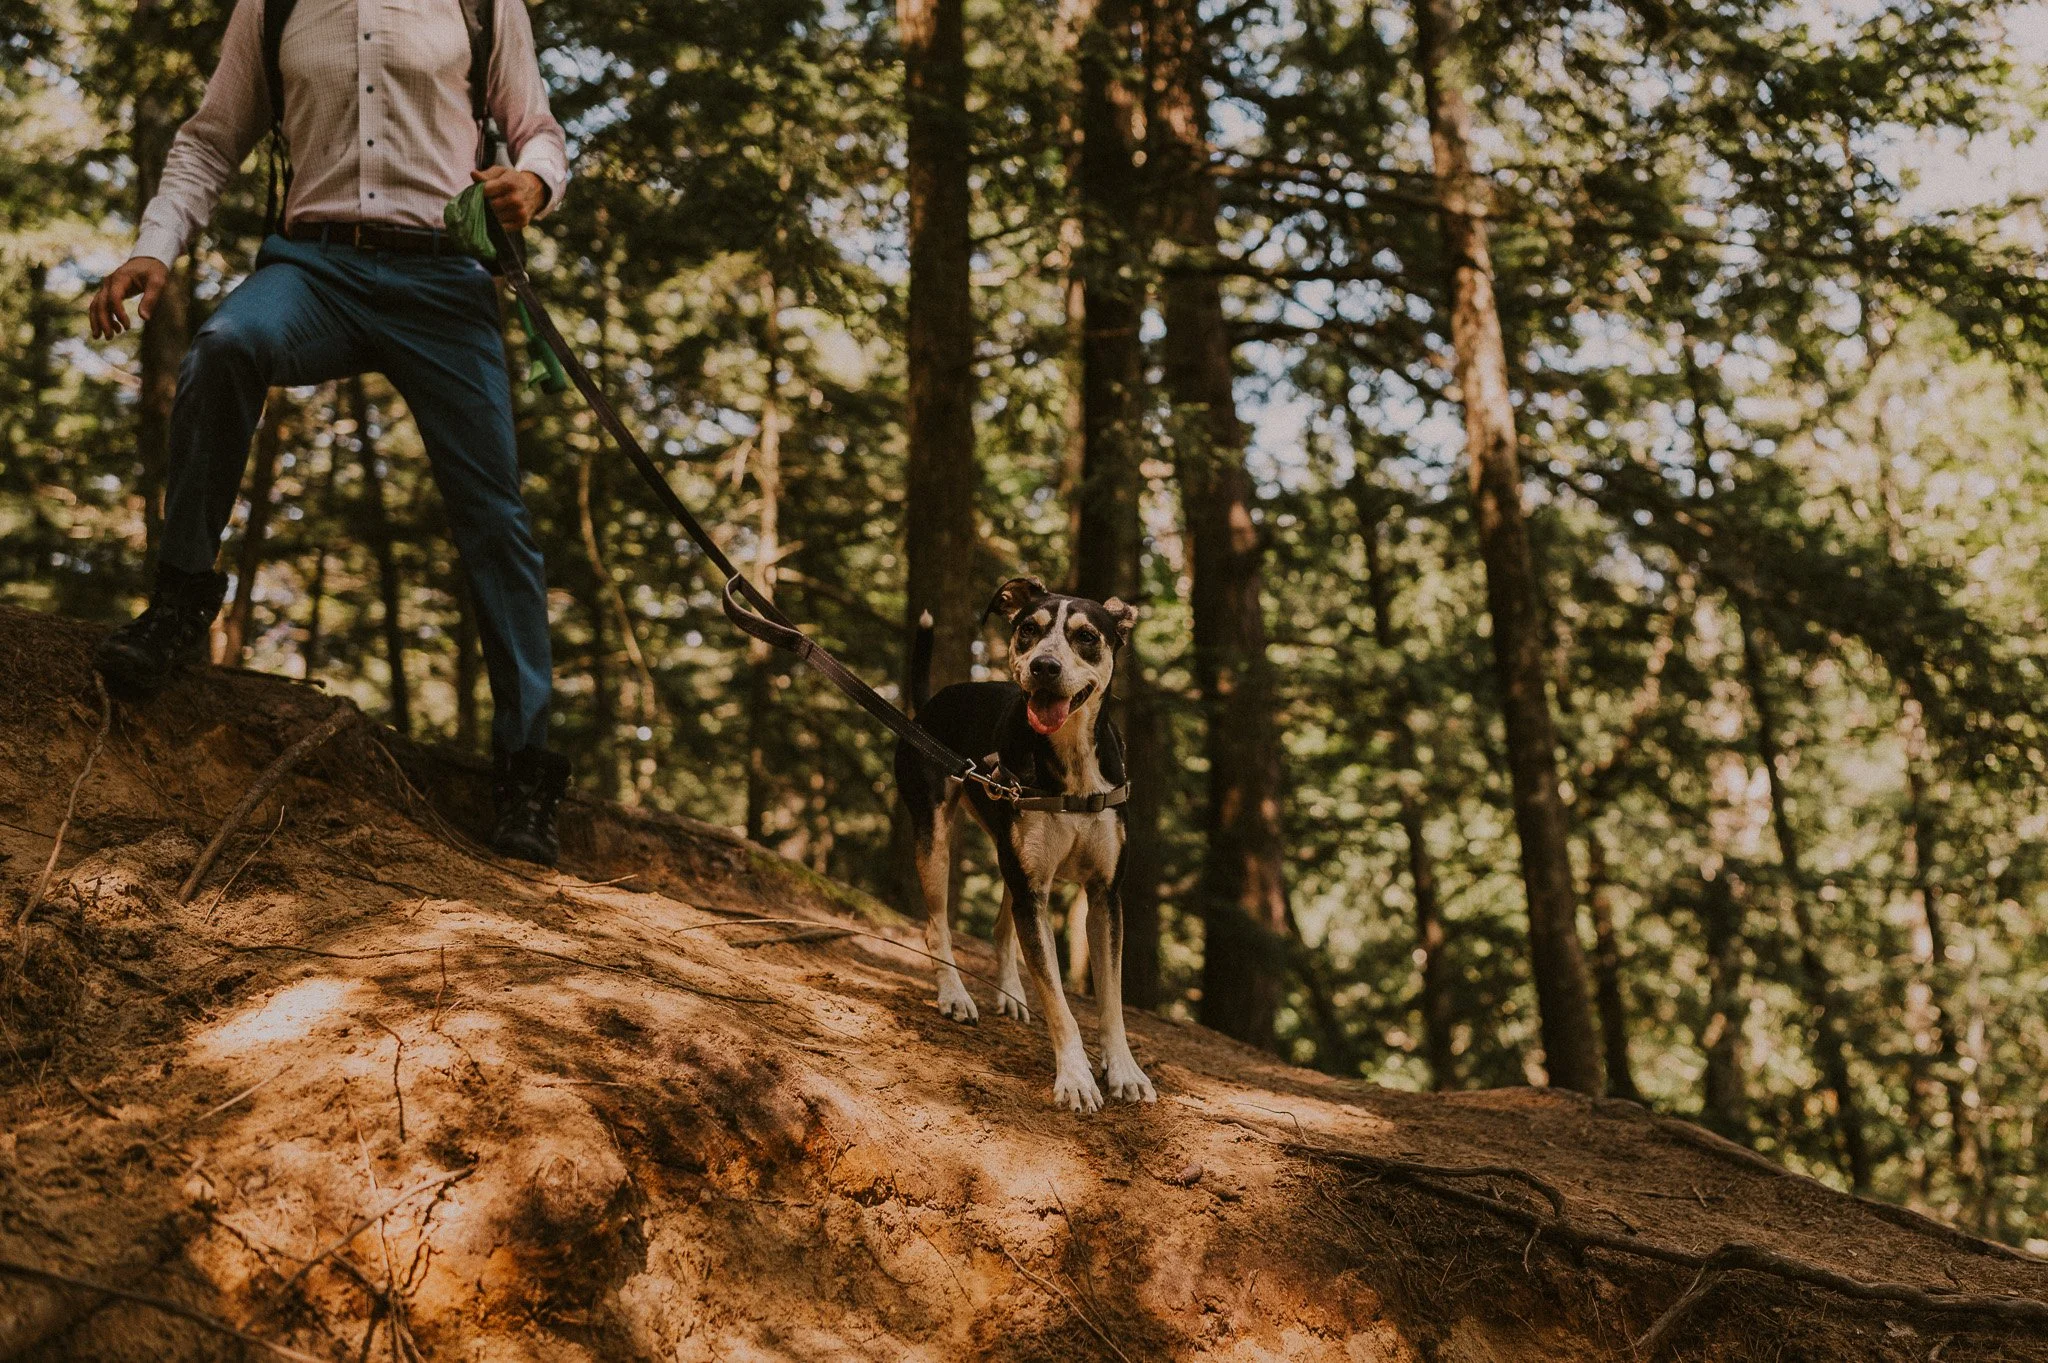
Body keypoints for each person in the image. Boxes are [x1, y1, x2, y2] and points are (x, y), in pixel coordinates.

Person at [87, 0, 572, 865]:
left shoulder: (482, 4)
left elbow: (536, 128)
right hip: (316, 268)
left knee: (495, 518)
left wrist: (533, 181)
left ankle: (527, 769)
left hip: (445, 282)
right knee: (227, 344)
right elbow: (208, 140)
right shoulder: (273, 7)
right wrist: (154, 247)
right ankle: (181, 597)